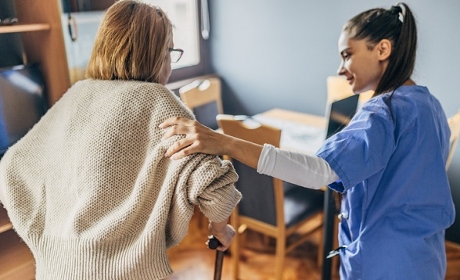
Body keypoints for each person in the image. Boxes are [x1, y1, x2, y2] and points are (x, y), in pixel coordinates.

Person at [160, 2, 455, 279]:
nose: (341, 68)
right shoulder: (430, 105)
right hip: (425, 259)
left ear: (382, 49)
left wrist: (226, 143)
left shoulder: (383, 112)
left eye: (347, 54)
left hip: (384, 262)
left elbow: (319, 171)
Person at [0, 1, 241, 279]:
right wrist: (221, 229)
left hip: (57, 270)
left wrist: (44, 234)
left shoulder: (77, 94)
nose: (170, 65)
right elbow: (216, 187)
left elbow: (11, 165)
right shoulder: (158, 102)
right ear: (155, 55)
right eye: (170, 52)